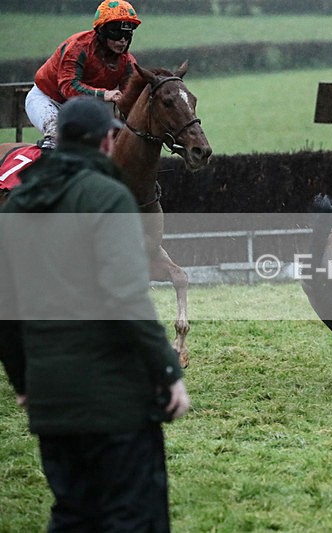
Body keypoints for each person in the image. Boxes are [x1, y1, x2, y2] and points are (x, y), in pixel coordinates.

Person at [0, 96, 189, 532]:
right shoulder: (107, 196)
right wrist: (166, 370)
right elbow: (127, 297)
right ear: (107, 142)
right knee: (134, 516)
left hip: (51, 401)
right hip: (116, 400)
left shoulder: (19, 203)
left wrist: (24, 381)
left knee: (72, 515)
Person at [25, 0, 141, 150]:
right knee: (57, 137)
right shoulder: (78, 47)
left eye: (127, 34)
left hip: (86, 108)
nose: (122, 40)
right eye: (116, 32)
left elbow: (130, 98)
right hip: (49, 100)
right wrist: (104, 94)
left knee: (109, 142)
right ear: (101, 30)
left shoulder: (128, 62)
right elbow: (67, 87)